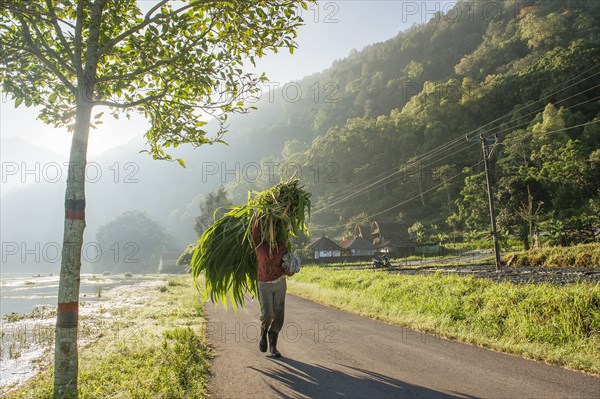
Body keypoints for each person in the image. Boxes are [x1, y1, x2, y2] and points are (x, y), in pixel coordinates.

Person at [251, 220, 293, 358]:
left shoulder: (283, 248)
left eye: (274, 233)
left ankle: (273, 347)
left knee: (279, 315)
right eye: (269, 233)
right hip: (264, 284)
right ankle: (263, 333)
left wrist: (290, 270)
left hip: (280, 283)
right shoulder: (259, 246)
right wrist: (257, 216)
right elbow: (254, 231)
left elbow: (287, 270)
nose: (272, 236)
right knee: (268, 314)